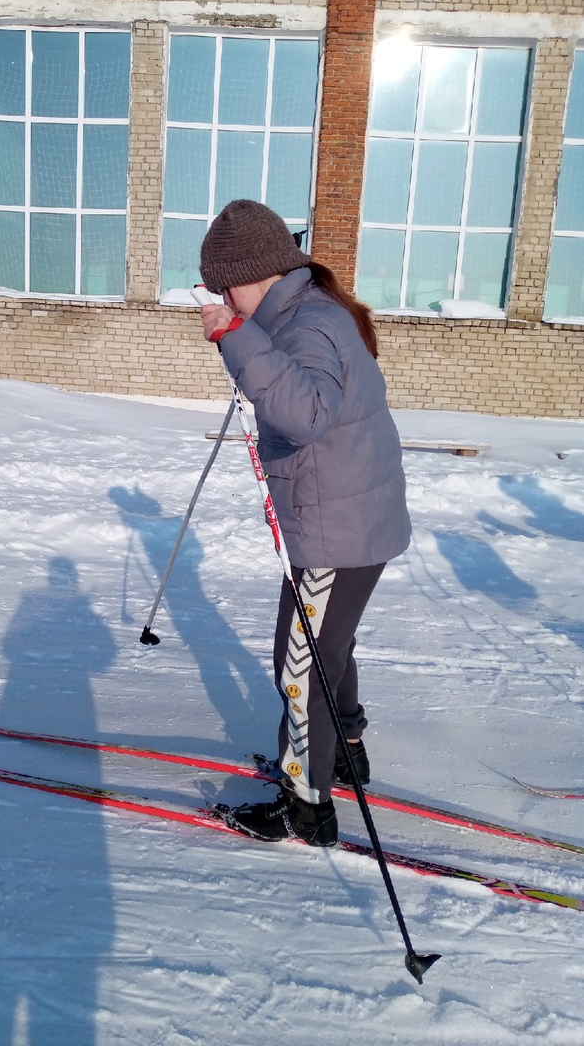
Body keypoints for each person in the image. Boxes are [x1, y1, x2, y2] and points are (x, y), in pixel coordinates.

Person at [196, 199, 411, 847]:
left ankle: (305, 806)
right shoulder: (306, 309)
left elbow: (308, 413)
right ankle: (343, 750)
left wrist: (235, 340)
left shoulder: (305, 324)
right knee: (328, 644)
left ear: (247, 274)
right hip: (354, 519)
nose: (221, 298)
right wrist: (248, 339)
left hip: (335, 530)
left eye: (220, 285)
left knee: (300, 663)